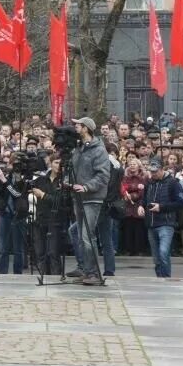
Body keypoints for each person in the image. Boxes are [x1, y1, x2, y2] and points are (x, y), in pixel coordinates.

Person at [70, 117, 111, 285]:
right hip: (78, 197)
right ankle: (86, 270)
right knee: (80, 236)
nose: (75, 127)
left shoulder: (99, 150)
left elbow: (103, 175)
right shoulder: (78, 148)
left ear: (86, 128)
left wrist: (86, 187)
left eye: (78, 125)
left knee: (88, 237)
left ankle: (93, 273)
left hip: (92, 198)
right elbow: (74, 169)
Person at [139, 158, 183, 278]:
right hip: (151, 223)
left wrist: (162, 207)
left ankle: (166, 276)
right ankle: (160, 277)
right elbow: (143, 199)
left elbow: (181, 202)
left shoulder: (173, 183)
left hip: (166, 223)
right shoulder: (148, 183)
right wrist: (141, 206)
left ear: (162, 169)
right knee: (156, 257)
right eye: (151, 172)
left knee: (163, 252)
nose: (153, 174)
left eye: (155, 171)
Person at [31, 155, 65, 275]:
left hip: (55, 220)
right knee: (40, 252)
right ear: (50, 163)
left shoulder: (63, 181)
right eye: (56, 162)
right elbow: (24, 188)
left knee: (53, 253)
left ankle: (55, 277)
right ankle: (42, 276)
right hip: (40, 218)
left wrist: (43, 195)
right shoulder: (41, 179)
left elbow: (60, 200)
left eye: (60, 163)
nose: (58, 166)